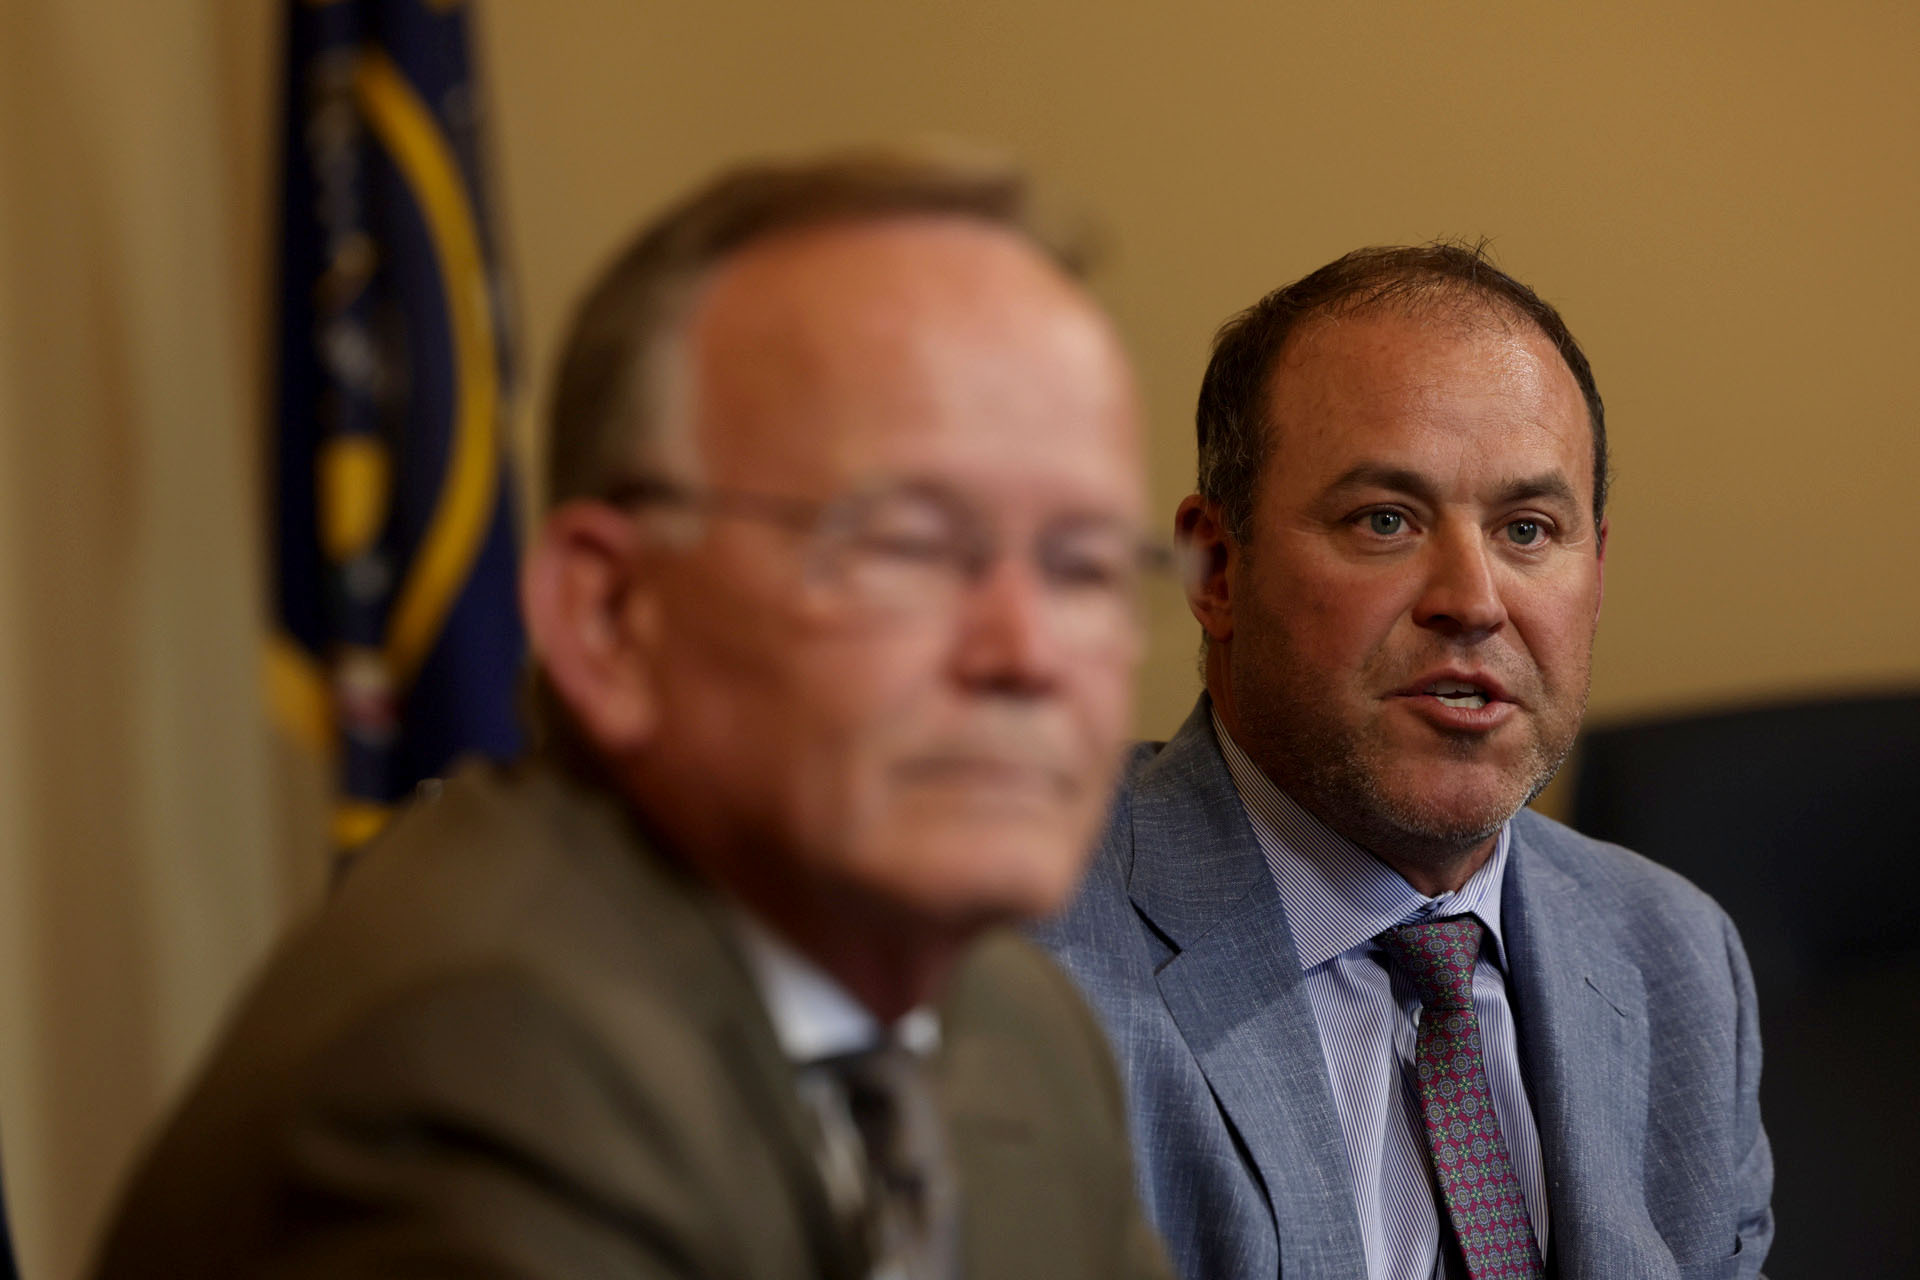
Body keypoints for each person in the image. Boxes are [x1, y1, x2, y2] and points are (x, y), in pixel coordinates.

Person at [92, 151, 1174, 1280]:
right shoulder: (476, 1063)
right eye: (905, 543)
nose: (1026, 652)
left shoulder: (1014, 1021)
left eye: (1084, 567)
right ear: (607, 613)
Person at [1036, 244, 1773, 1280]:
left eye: (1528, 528)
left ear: (1595, 570)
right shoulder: (1004, 943)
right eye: (1385, 520)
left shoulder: (1679, 959)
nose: (1472, 598)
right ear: (1215, 567)